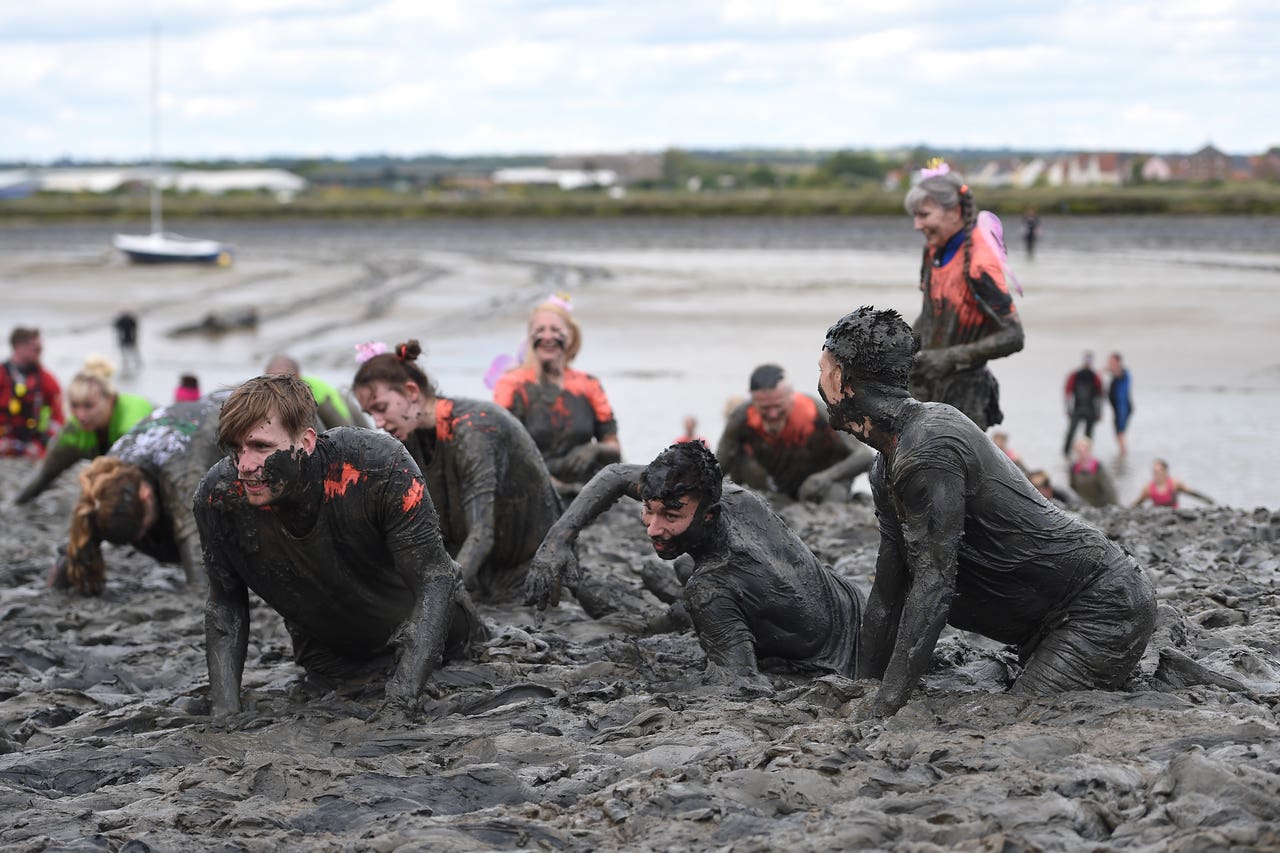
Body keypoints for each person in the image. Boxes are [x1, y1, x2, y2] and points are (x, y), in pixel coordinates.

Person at [819, 306, 1155, 718]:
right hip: (1039, 624)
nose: (817, 382)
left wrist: (886, 706)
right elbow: (889, 590)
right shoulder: (885, 463)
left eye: (821, 370)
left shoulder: (929, 447)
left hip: (1099, 606)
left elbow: (934, 585)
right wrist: (864, 688)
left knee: (1020, 716)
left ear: (839, 380)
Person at [194, 374, 485, 718]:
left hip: (446, 651)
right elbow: (225, 606)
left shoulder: (378, 466)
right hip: (331, 668)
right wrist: (225, 712)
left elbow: (436, 579)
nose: (244, 466)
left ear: (306, 441)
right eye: (235, 448)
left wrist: (401, 701)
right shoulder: (218, 497)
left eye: (261, 447)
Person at [525, 440, 863, 693]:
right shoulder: (737, 497)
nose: (653, 528)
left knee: (689, 581)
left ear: (709, 514)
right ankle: (676, 602)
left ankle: (676, 609)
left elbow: (740, 686)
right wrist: (557, 542)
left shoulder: (710, 587)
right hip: (851, 604)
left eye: (671, 516)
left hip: (841, 658)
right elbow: (613, 474)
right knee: (680, 569)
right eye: (648, 510)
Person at [352, 339, 562, 601]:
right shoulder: (411, 436)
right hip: (484, 573)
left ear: (412, 392)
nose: (378, 422)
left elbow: (481, 534)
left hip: (529, 573)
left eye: (380, 408)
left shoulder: (474, 429)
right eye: (370, 413)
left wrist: (440, 599)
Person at [49, 398, 223, 595]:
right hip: (177, 418)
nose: (145, 538)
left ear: (145, 494)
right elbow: (76, 541)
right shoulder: (103, 479)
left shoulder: (183, 478)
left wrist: (198, 587)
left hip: (214, 413)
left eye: (145, 526)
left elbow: (199, 570)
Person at [904, 165, 1024, 430]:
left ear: (955, 212)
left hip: (966, 397)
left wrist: (947, 357)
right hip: (925, 386)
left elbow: (1014, 336)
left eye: (924, 215)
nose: (917, 225)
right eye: (914, 216)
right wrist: (903, 348)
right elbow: (932, 313)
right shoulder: (933, 251)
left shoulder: (980, 263)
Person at [492, 295, 621, 489]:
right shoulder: (511, 384)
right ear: (530, 338)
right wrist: (552, 485)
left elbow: (614, 449)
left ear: (570, 336)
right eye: (540, 330)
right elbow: (500, 449)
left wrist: (594, 449)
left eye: (555, 330)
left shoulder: (588, 384)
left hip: (583, 489)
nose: (547, 336)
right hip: (530, 489)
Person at [716, 364, 873, 502]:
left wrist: (825, 477)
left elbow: (864, 455)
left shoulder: (817, 412)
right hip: (775, 487)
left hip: (820, 485)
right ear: (754, 400)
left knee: (834, 493)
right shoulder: (742, 417)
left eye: (777, 406)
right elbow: (719, 467)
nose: (772, 414)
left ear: (790, 396)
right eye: (765, 408)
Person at [15, 356, 154, 504]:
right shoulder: (73, 430)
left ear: (111, 399)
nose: (81, 415)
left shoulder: (130, 427)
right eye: (74, 406)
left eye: (88, 406)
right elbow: (44, 476)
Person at [1, 326, 63, 459]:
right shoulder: (2, 375)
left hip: (33, 447)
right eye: (36, 349)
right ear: (19, 347)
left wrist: (42, 443)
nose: (40, 353)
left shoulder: (47, 379)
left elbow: (58, 418)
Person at [264, 353, 359, 429]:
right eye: (272, 382)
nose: (278, 388)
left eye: (283, 382)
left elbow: (343, 427)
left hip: (345, 406)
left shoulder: (318, 397)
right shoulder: (263, 392)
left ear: (298, 377)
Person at [1063, 351, 1104, 457]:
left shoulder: (1095, 376)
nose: (1087, 363)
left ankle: (1087, 456)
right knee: (1071, 433)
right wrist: (1068, 409)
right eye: (1086, 360)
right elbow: (1067, 392)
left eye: (1089, 361)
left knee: (1088, 436)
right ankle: (1066, 454)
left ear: (1091, 362)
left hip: (1090, 409)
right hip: (1077, 408)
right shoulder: (1075, 375)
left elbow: (1100, 395)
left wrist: (1099, 412)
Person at [1133, 459, 1213, 508]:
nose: (1157, 474)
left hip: (1174, 513)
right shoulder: (1148, 488)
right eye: (1154, 472)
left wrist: (1207, 500)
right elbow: (1138, 502)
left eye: (1159, 471)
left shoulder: (1175, 483)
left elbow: (1191, 493)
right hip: (1157, 514)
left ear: (1165, 471)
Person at [1068, 436, 1118, 508]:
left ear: (1089, 450)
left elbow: (1109, 490)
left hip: (1100, 505)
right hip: (1083, 506)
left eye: (1085, 450)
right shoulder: (1073, 468)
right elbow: (1072, 488)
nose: (1082, 453)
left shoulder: (1098, 467)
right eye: (1079, 451)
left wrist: (1115, 507)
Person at [1107, 352, 1134, 456]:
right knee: (1117, 432)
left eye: (1112, 361)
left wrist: (1109, 369)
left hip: (1123, 408)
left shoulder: (1123, 373)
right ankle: (1122, 451)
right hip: (1117, 408)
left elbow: (1119, 373)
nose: (1109, 363)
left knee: (1120, 431)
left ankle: (1123, 452)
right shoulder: (1116, 374)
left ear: (1118, 362)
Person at [113, 308, 142, 374]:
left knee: (133, 352)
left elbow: (135, 329)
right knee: (126, 353)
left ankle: (136, 363)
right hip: (124, 338)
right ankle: (127, 363)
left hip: (129, 338)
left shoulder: (129, 320)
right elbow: (116, 328)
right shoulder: (123, 320)